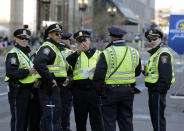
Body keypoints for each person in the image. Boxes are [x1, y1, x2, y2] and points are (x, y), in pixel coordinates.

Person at [93, 26, 142, 131]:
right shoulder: (134, 52)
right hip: (128, 91)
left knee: (109, 121)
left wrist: (99, 91)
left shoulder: (106, 53)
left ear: (111, 37)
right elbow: (137, 72)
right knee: (126, 120)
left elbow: (99, 76)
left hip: (110, 92)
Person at [66, 30, 104, 131]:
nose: (84, 43)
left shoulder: (99, 54)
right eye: (80, 41)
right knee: (80, 120)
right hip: (79, 92)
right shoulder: (75, 55)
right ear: (77, 43)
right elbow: (68, 60)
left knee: (97, 120)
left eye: (85, 40)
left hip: (94, 91)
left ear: (89, 40)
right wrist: (78, 51)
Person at [33, 23, 66, 131]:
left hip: (54, 87)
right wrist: (50, 79)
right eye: (56, 34)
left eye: (60, 33)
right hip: (49, 87)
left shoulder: (55, 47)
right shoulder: (47, 47)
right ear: (49, 34)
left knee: (54, 116)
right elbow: (38, 63)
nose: (59, 36)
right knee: (51, 117)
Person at [4, 28, 37, 131]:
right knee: (19, 122)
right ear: (16, 39)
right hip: (18, 92)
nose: (24, 40)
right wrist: (27, 72)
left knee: (26, 121)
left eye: (26, 38)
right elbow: (11, 72)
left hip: (28, 91)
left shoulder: (27, 54)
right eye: (21, 38)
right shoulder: (13, 54)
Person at [143, 28, 175, 131]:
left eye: (154, 39)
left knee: (158, 120)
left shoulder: (163, 54)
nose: (152, 42)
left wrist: (158, 91)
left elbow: (166, 77)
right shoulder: (155, 53)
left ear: (160, 39)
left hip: (157, 92)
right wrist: (144, 71)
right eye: (150, 40)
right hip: (153, 91)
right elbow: (153, 73)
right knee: (155, 119)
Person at [59, 32, 73, 131]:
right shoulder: (69, 52)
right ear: (66, 40)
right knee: (66, 109)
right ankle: (65, 128)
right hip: (67, 85)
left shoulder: (54, 50)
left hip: (53, 84)